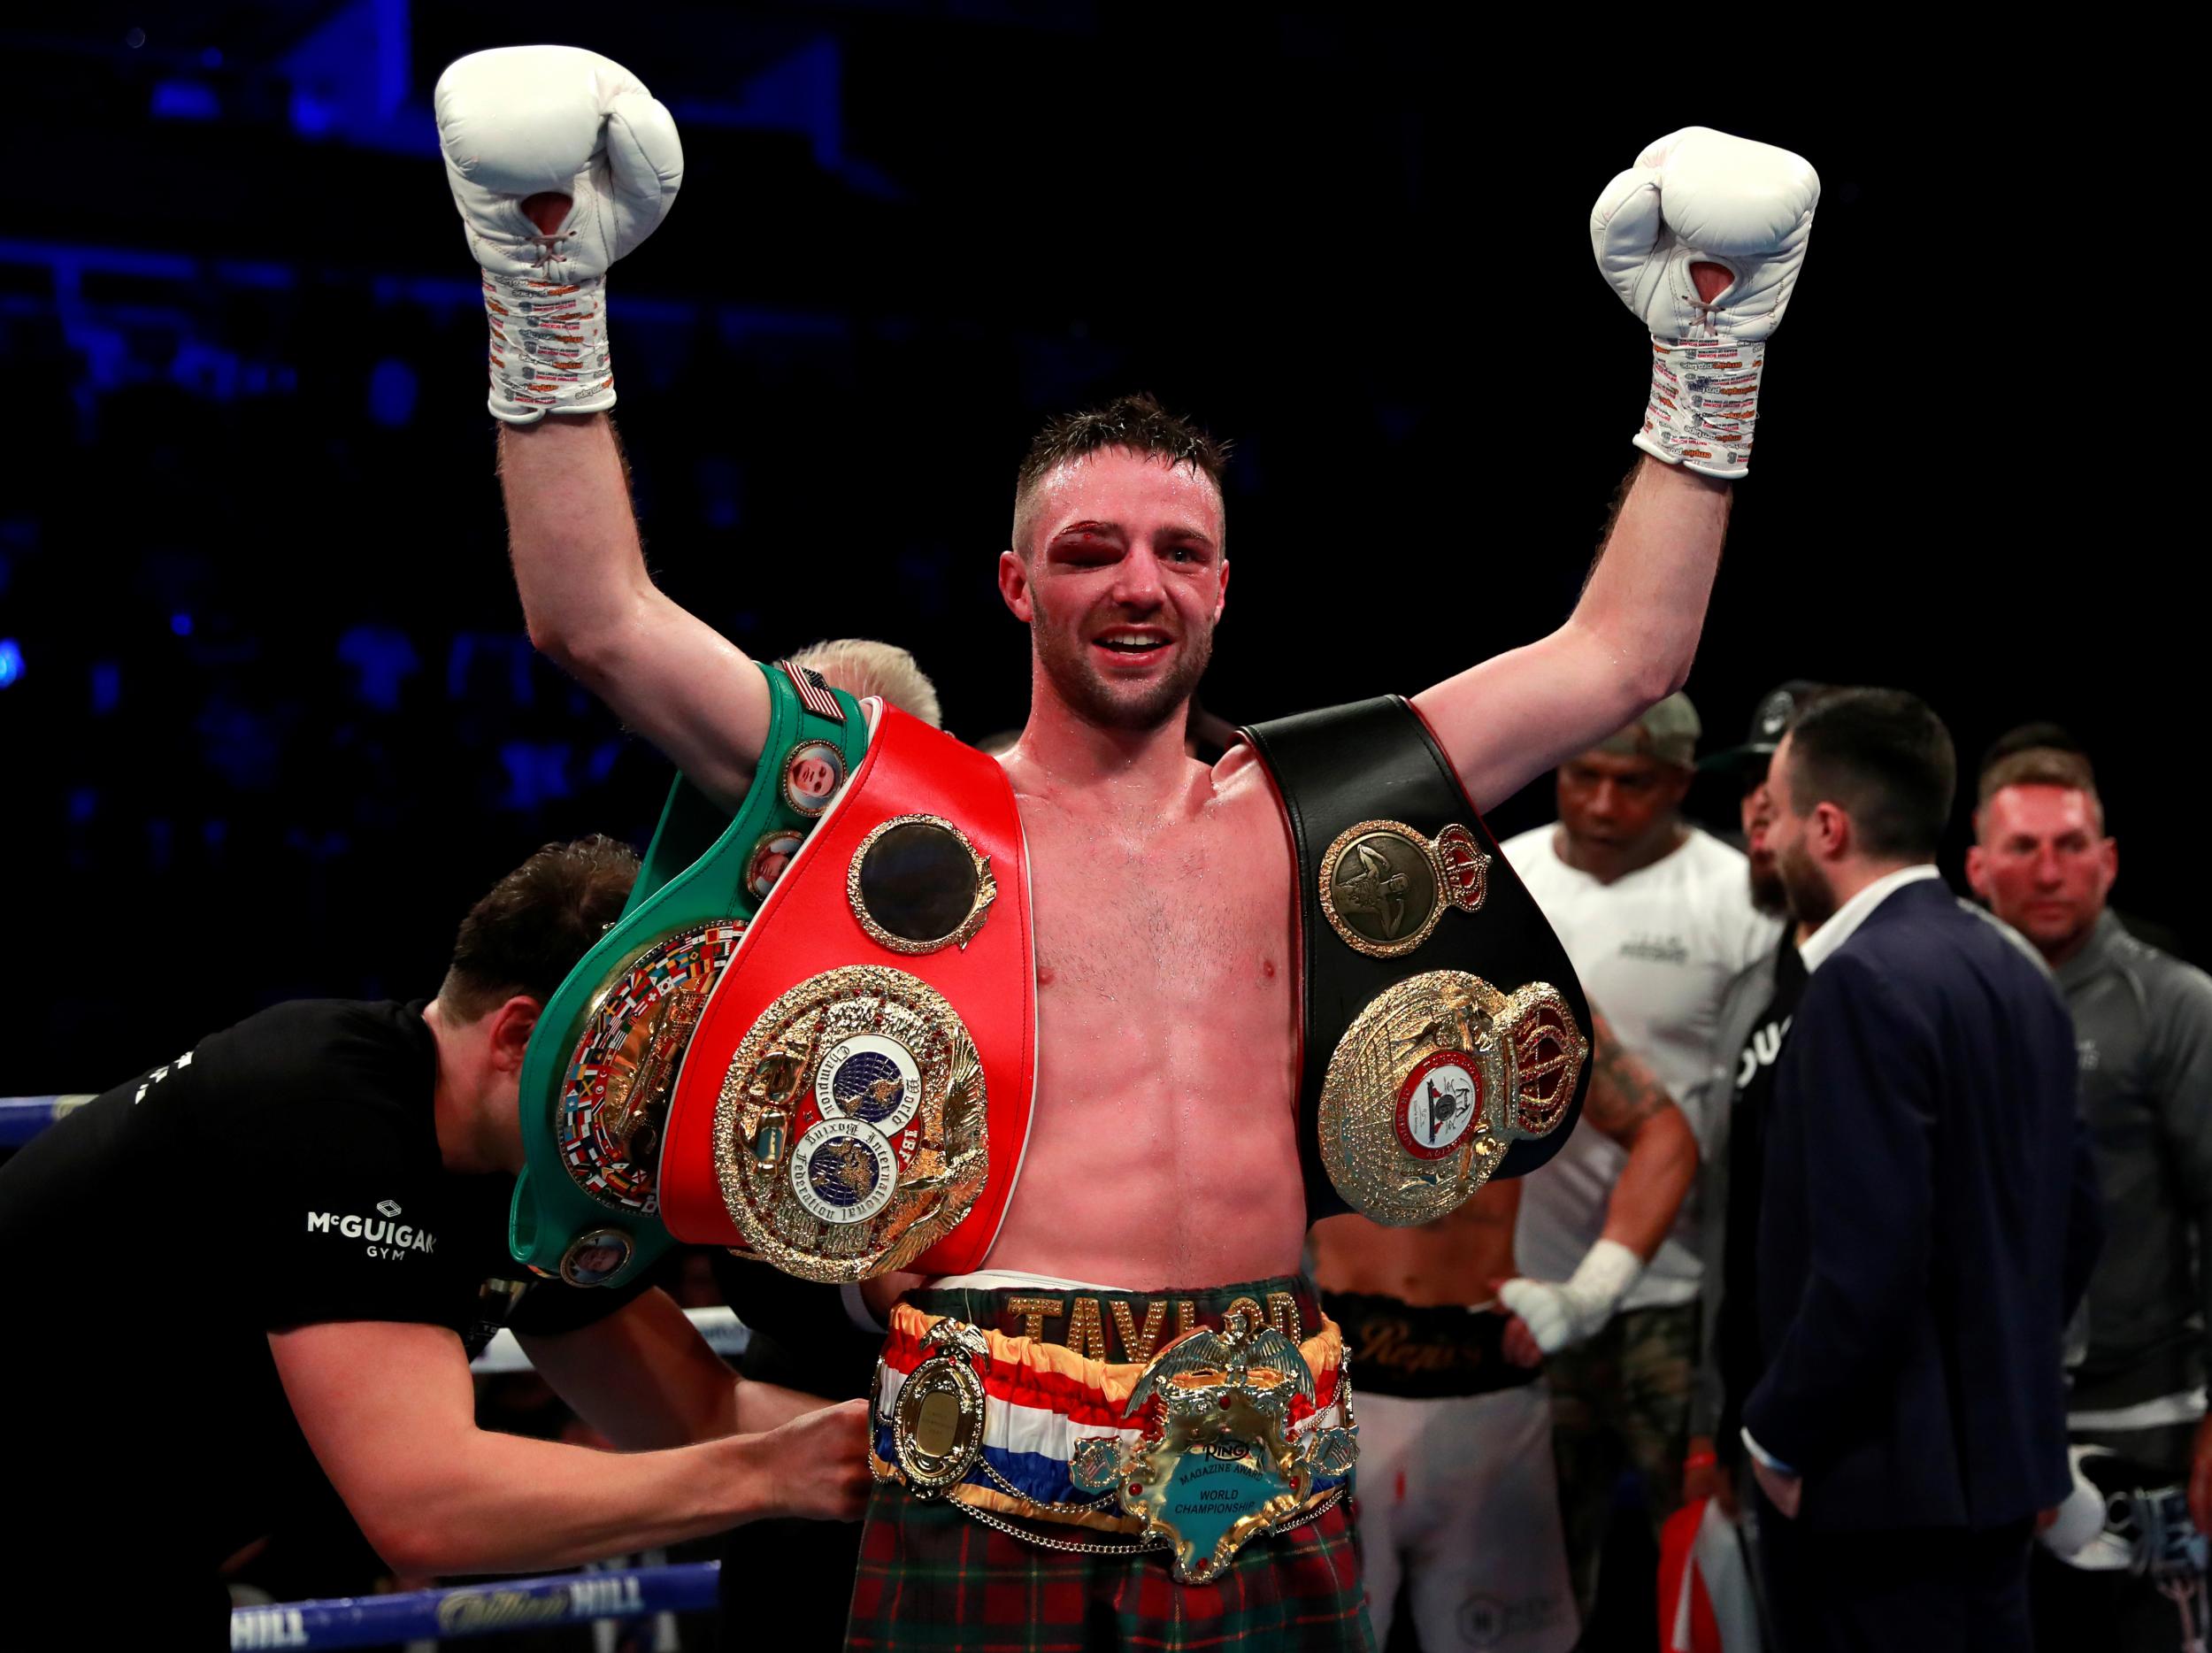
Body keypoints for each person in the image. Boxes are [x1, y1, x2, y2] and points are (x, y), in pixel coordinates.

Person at [436, 44, 1816, 1648]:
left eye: (1178, 549)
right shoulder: (916, 806)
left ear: (1226, 586)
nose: (1136, 582)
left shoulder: (1317, 808)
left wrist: (1711, 354)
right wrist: (542, 278)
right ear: (1019, 589)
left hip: (1264, 1455)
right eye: (1088, 551)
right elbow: (594, 619)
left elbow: (1623, 656)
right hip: (981, 1457)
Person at [0, 838, 872, 1648]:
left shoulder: (524, 1176)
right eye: (641, 1075)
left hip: (121, 1559)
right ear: (521, 1038)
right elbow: (423, 1502)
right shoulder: (324, 1107)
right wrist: (763, 1476)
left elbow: (698, 1414)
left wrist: (932, 1440)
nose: (651, 1121)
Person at [1743, 688, 2103, 1651]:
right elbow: (2077, 1220)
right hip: (1995, 1479)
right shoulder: (2013, 964)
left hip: (1875, 1493)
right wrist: (2002, 1391)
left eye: (1775, 814)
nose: (1766, 838)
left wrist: (1777, 1430)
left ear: (1826, 825)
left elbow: (1870, 1266)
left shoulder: (1858, 983)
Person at [1495, 694, 1783, 1617]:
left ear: (1681, 784)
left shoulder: (1739, 900)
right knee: (1536, 1558)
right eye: (1585, 775)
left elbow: (1758, 1095)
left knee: (1699, 1548)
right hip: (1527, 1279)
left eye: (1634, 783)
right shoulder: (1506, 876)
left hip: (1679, 1290)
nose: (1605, 803)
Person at [1310, 1011, 1693, 1652]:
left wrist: (1589, 1294)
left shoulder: (1522, 991)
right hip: (1334, 1398)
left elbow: (1665, 1136)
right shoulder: (1312, 975)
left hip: (1488, 1393)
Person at [1964, 736, 2212, 1648]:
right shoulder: (1938, 999)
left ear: (2107, 860)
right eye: (2022, 846)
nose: (2048, 867)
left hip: (2147, 1408)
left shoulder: (2175, 1001)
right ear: (1976, 865)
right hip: (1988, 1411)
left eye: (2070, 844)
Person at [1684, 680, 1821, 1524]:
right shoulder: (1747, 994)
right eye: (1752, 785)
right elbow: (1726, 1226)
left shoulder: (1939, 973)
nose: (1758, 808)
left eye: (1786, 780)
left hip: (1905, 1435)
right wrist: (1716, 1421)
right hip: (1762, 1415)